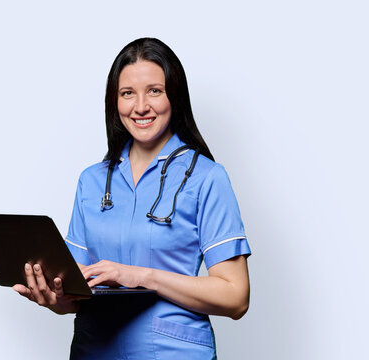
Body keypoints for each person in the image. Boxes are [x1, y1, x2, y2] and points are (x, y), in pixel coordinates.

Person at [13, 37, 251, 359]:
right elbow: (77, 291)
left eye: (154, 90)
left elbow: (235, 297)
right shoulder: (93, 181)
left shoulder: (206, 177)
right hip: (94, 350)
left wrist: (140, 275)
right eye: (128, 94)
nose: (140, 106)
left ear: (174, 96)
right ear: (115, 102)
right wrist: (53, 296)